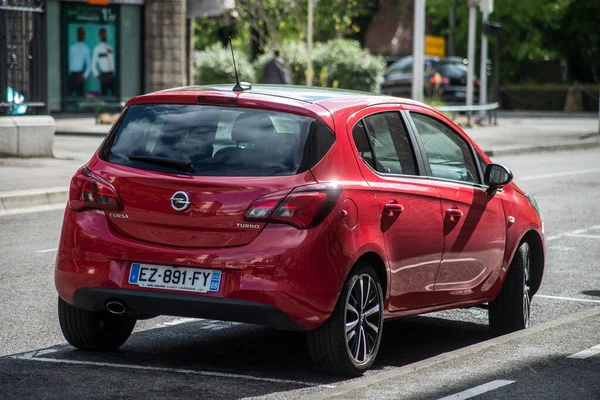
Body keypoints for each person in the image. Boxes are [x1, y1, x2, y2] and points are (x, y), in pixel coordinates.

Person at [91, 28, 116, 96]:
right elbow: (93, 65)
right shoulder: (97, 49)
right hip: (104, 75)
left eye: (105, 34)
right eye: (102, 34)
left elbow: (113, 62)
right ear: (99, 36)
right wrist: (98, 76)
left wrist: (114, 73)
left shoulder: (110, 48)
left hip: (111, 75)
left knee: (114, 95)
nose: (104, 36)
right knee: (104, 96)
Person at [68, 27, 91, 96]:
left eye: (82, 34)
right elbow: (69, 62)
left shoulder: (86, 48)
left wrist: (84, 76)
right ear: (77, 34)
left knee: (79, 96)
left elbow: (89, 65)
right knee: (69, 95)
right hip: (72, 75)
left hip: (80, 75)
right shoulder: (72, 48)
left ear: (84, 35)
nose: (81, 35)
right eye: (79, 33)